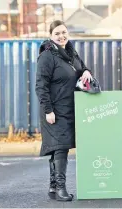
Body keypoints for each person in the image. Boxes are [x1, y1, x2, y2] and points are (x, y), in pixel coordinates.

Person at [35, 20, 93, 201]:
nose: (61, 36)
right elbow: (40, 85)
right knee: (60, 148)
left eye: (64, 32)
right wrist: (48, 110)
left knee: (57, 148)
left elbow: (81, 68)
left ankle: (53, 188)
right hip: (54, 110)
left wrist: (86, 72)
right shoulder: (47, 56)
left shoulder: (71, 52)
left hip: (70, 108)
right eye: (57, 34)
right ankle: (60, 188)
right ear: (51, 36)